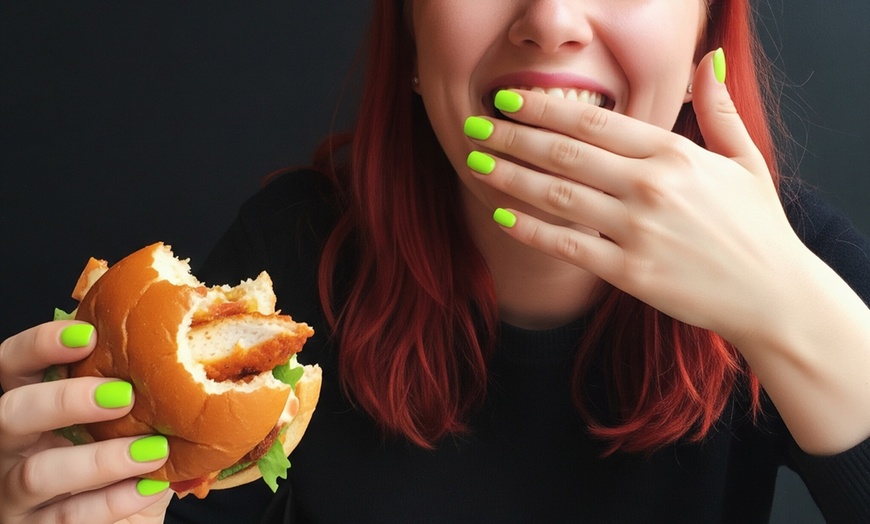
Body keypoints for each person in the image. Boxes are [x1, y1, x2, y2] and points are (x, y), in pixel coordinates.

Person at [2, 0, 869, 522]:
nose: (551, 21)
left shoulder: (791, 264)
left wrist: (787, 312)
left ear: (702, 41)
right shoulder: (290, 260)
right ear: (413, 36)